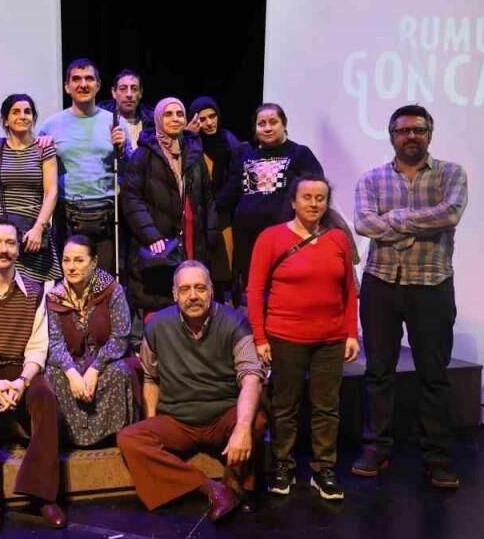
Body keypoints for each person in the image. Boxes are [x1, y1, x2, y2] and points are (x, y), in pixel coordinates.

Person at [352, 105, 468, 489]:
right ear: (392, 137)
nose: (411, 136)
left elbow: (449, 215)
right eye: (403, 131)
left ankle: (437, 456)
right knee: (378, 372)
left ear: (429, 134)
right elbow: (363, 224)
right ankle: (376, 448)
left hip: (432, 284)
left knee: (433, 375)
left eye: (418, 130)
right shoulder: (371, 179)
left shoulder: (451, 174)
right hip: (381, 283)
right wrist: (420, 223)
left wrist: (395, 220)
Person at [116, 261, 266, 522]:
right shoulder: (157, 325)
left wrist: (242, 427)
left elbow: (251, 377)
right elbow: (150, 378)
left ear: (211, 291)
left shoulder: (234, 322)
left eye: (200, 288)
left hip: (222, 415)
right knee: (130, 439)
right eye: (185, 289)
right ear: (175, 294)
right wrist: (152, 423)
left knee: (257, 420)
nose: (193, 296)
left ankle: (234, 483)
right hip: (178, 419)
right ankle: (210, 488)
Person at [247, 175, 359, 500]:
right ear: (294, 201)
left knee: (327, 407)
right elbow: (255, 290)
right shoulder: (271, 237)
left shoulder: (338, 239)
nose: (314, 204)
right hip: (285, 336)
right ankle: (283, 466)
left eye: (320, 198)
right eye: (307, 197)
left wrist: (351, 333)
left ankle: (323, 470)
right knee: (285, 406)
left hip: (331, 339)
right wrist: (260, 337)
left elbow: (349, 291)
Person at [0, 218, 65, 533]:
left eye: (9, 243)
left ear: (19, 249)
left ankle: (43, 493)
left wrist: (22, 381)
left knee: (45, 396)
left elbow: (38, 346)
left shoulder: (36, 291)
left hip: (21, 368)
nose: (3, 249)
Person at [216, 103, 323, 305]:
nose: (267, 128)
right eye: (261, 124)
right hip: (248, 241)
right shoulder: (246, 156)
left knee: (286, 293)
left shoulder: (300, 154)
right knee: (255, 294)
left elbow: (316, 190)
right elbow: (230, 192)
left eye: (273, 122)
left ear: (284, 124)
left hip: (287, 240)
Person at [121, 97, 216, 314]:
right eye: (168, 114)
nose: (175, 119)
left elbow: (207, 196)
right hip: (159, 235)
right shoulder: (144, 154)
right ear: (158, 119)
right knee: (161, 298)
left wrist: (210, 234)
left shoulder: (193, 152)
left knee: (191, 290)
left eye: (179, 114)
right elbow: (131, 198)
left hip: (191, 234)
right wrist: (150, 234)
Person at [44, 235, 137, 447]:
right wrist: (71, 373)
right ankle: (69, 438)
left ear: (93, 262)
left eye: (79, 260)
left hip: (106, 362)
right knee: (51, 374)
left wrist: (95, 369)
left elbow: (120, 336)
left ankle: (112, 437)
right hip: (71, 363)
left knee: (119, 372)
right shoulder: (55, 297)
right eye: (66, 260)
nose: (71, 267)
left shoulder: (111, 290)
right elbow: (54, 342)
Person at [39, 58, 129, 275]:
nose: (83, 84)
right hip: (67, 215)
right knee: (72, 278)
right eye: (76, 79)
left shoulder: (116, 122)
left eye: (89, 79)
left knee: (103, 281)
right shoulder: (51, 125)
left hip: (107, 215)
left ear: (98, 85)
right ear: (67, 86)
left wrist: (123, 150)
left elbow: (131, 171)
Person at [0, 93, 61, 286]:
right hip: (2, 232)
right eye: (16, 112)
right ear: (6, 120)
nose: (22, 116)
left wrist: (38, 229)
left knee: (32, 291)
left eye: (27, 112)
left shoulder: (43, 149)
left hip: (32, 232)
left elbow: (51, 193)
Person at [188, 95, 243, 289]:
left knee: (226, 268)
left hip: (224, 212)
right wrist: (188, 137)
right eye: (203, 119)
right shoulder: (192, 144)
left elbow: (237, 178)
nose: (210, 123)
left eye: (213, 116)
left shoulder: (229, 141)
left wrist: (216, 205)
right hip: (200, 214)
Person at [98, 68, 154, 141]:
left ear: (140, 93)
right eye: (123, 89)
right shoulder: (100, 117)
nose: (129, 94)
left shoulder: (152, 120)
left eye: (134, 89)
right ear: (114, 92)